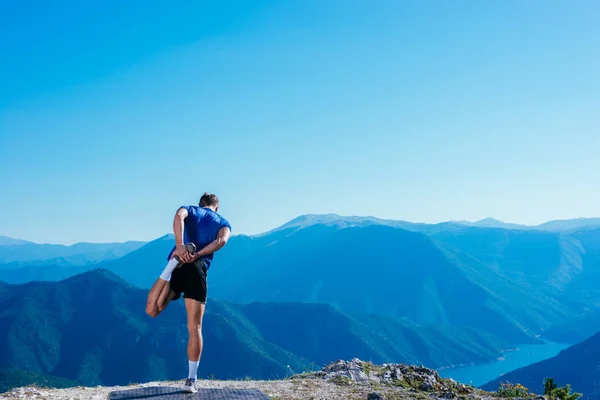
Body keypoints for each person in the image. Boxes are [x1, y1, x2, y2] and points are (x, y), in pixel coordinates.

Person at [145, 192, 231, 393]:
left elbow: (178, 216)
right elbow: (221, 241)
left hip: (178, 263)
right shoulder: (223, 222)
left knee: (152, 310)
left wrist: (180, 246)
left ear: (200, 204)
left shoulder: (190, 210)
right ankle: (191, 380)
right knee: (195, 327)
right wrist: (198, 254)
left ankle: (170, 266)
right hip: (197, 267)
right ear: (216, 207)